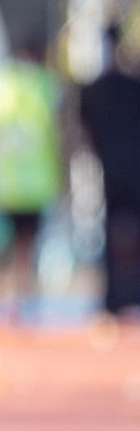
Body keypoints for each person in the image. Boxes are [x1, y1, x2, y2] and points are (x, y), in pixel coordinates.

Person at [0, 41, 63, 326]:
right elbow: (59, 134)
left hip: (5, 184)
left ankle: (0, 304)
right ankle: (19, 303)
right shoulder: (45, 86)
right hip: (35, 184)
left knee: (1, 249)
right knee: (24, 248)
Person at [79, 25, 140, 324]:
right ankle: (121, 298)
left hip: (112, 170)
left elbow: (83, 131)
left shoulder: (96, 90)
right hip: (128, 169)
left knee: (113, 231)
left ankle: (114, 299)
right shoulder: (129, 86)